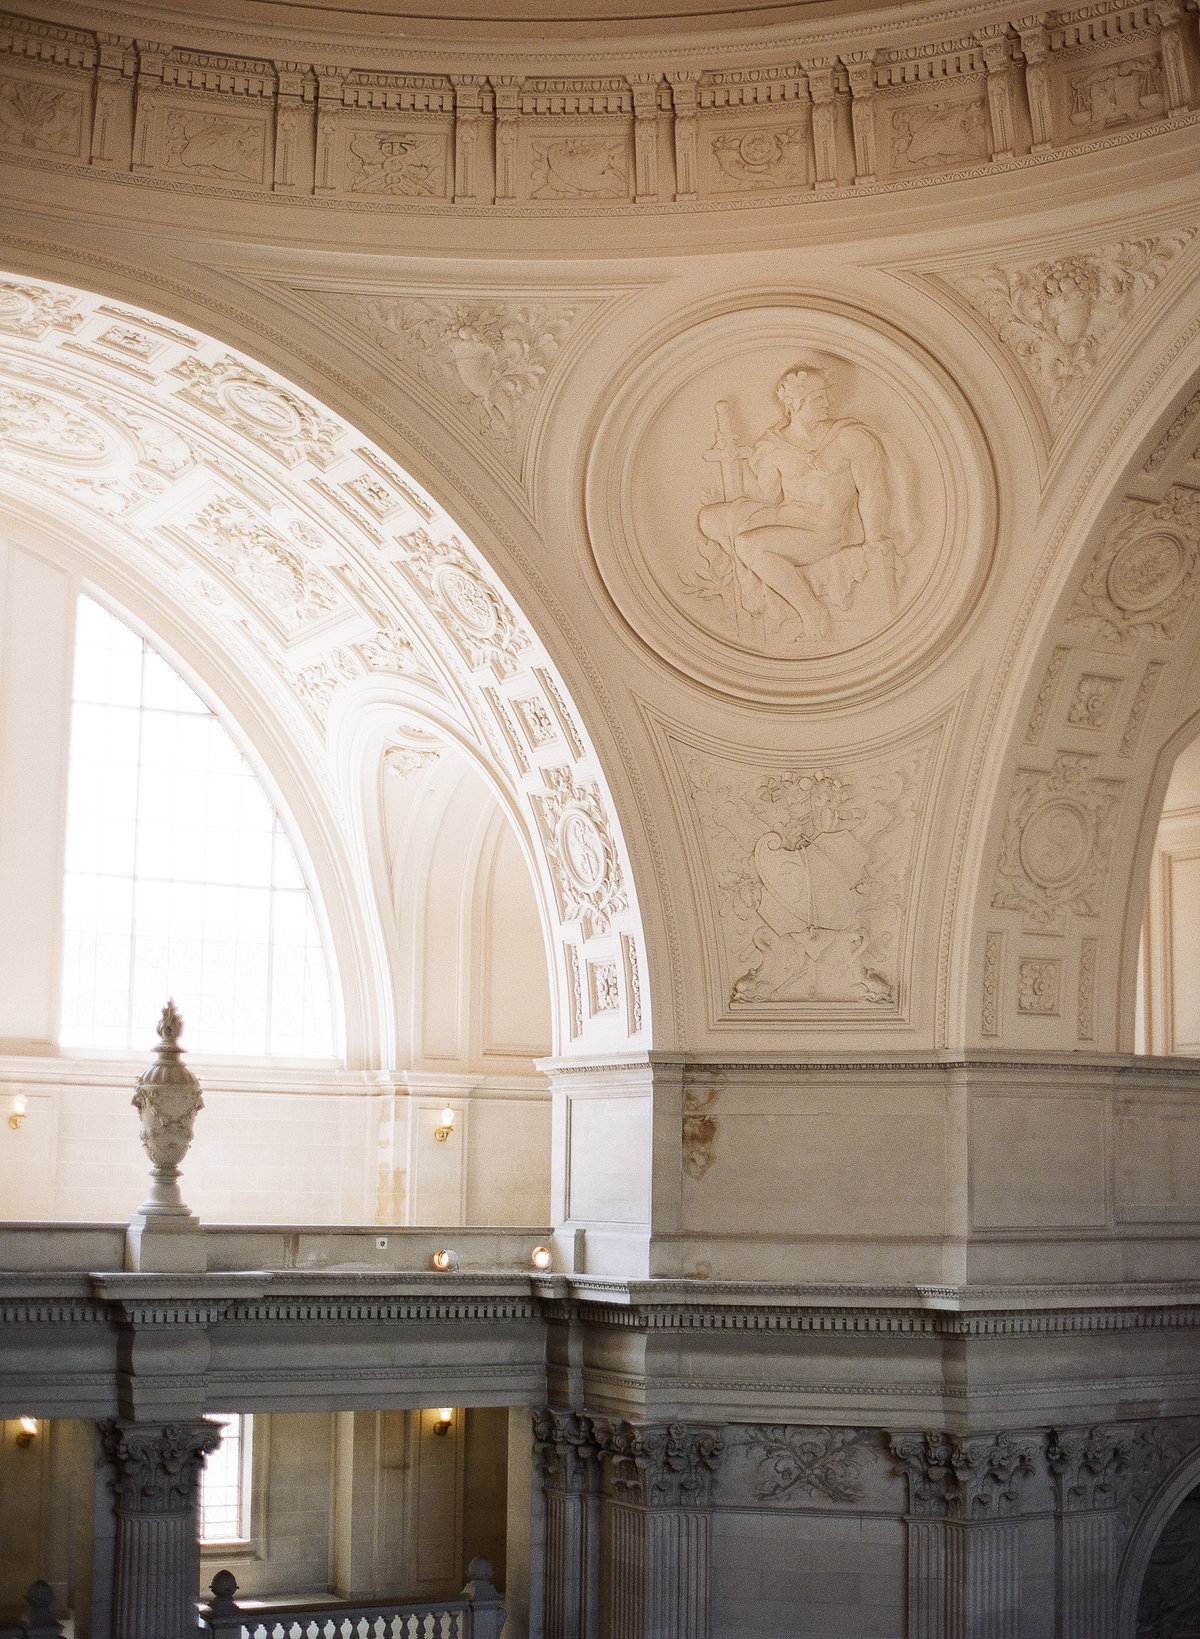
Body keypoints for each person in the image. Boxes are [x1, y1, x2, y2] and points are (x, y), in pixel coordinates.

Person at [698, 364, 906, 640]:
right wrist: (736, 462)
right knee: (709, 519)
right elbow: (767, 498)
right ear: (795, 403)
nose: (827, 403)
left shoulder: (850, 439)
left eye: (826, 395)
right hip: (783, 518)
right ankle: (762, 579)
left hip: (822, 533)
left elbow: (871, 490)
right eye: (818, 397)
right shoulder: (775, 446)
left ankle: (811, 612)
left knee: (748, 544)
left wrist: (873, 539)